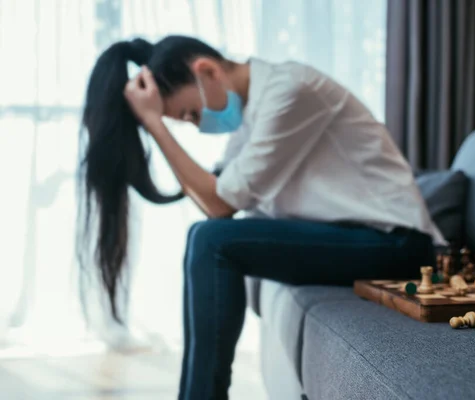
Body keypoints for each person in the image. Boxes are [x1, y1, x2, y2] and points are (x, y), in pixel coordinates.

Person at [78, 35, 446, 400]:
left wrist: (154, 124)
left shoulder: (290, 91)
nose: (195, 123)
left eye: (190, 113)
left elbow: (219, 203)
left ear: (206, 71)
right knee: (206, 236)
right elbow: (216, 200)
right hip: (357, 237)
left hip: (400, 244)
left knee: (211, 239)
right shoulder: (253, 113)